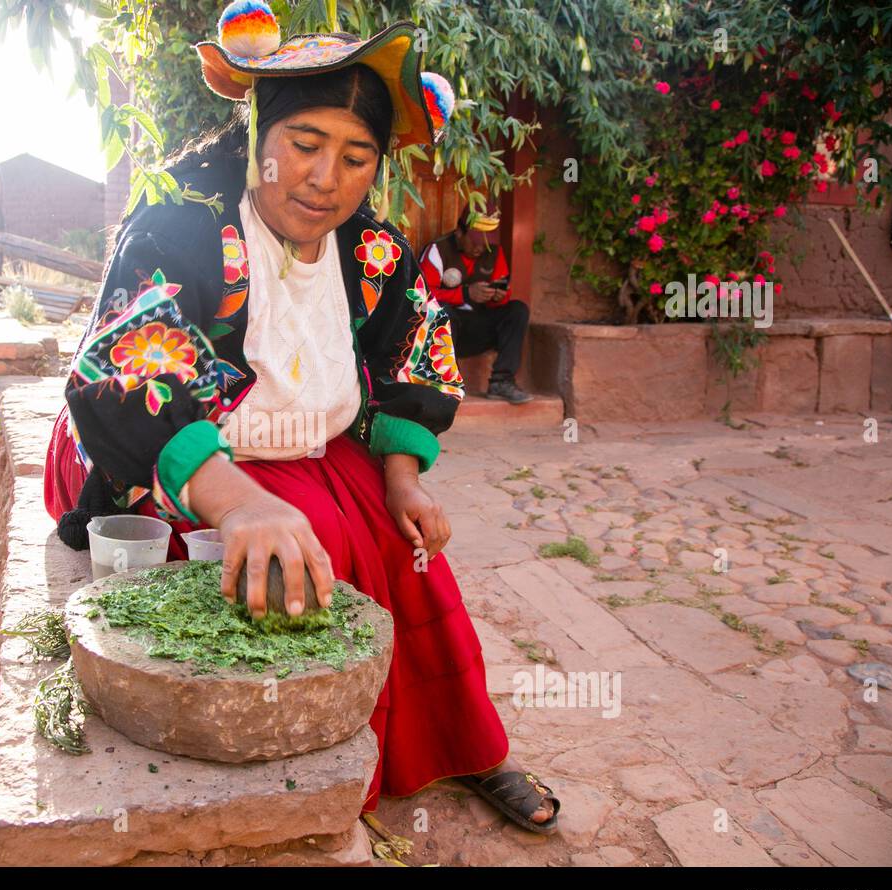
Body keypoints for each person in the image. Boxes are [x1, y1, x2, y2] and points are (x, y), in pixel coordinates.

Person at [43, 5, 559, 836]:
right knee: (307, 548)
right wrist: (239, 501)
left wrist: (403, 476)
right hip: (188, 462)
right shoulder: (184, 224)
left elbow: (408, 360)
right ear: (259, 138)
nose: (327, 177)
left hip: (313, 448)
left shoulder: (373, 250)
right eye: (306, 144)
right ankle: (317, 788)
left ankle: (461, 743)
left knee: (407, 550)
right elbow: (125, 367)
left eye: (356, 156)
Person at [418, 204, 534, 403]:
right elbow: (421, 296)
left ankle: (501, 381)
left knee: (517, 310)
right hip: (445, 333)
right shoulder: (438, 250)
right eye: (475, 241)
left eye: (486, 242)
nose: (480, 247)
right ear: (459, 232)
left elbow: (503, 292)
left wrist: (497, 297)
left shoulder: (494, 253)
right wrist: (465, 294)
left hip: (477, 329)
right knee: (442, 312)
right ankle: (446, 381)